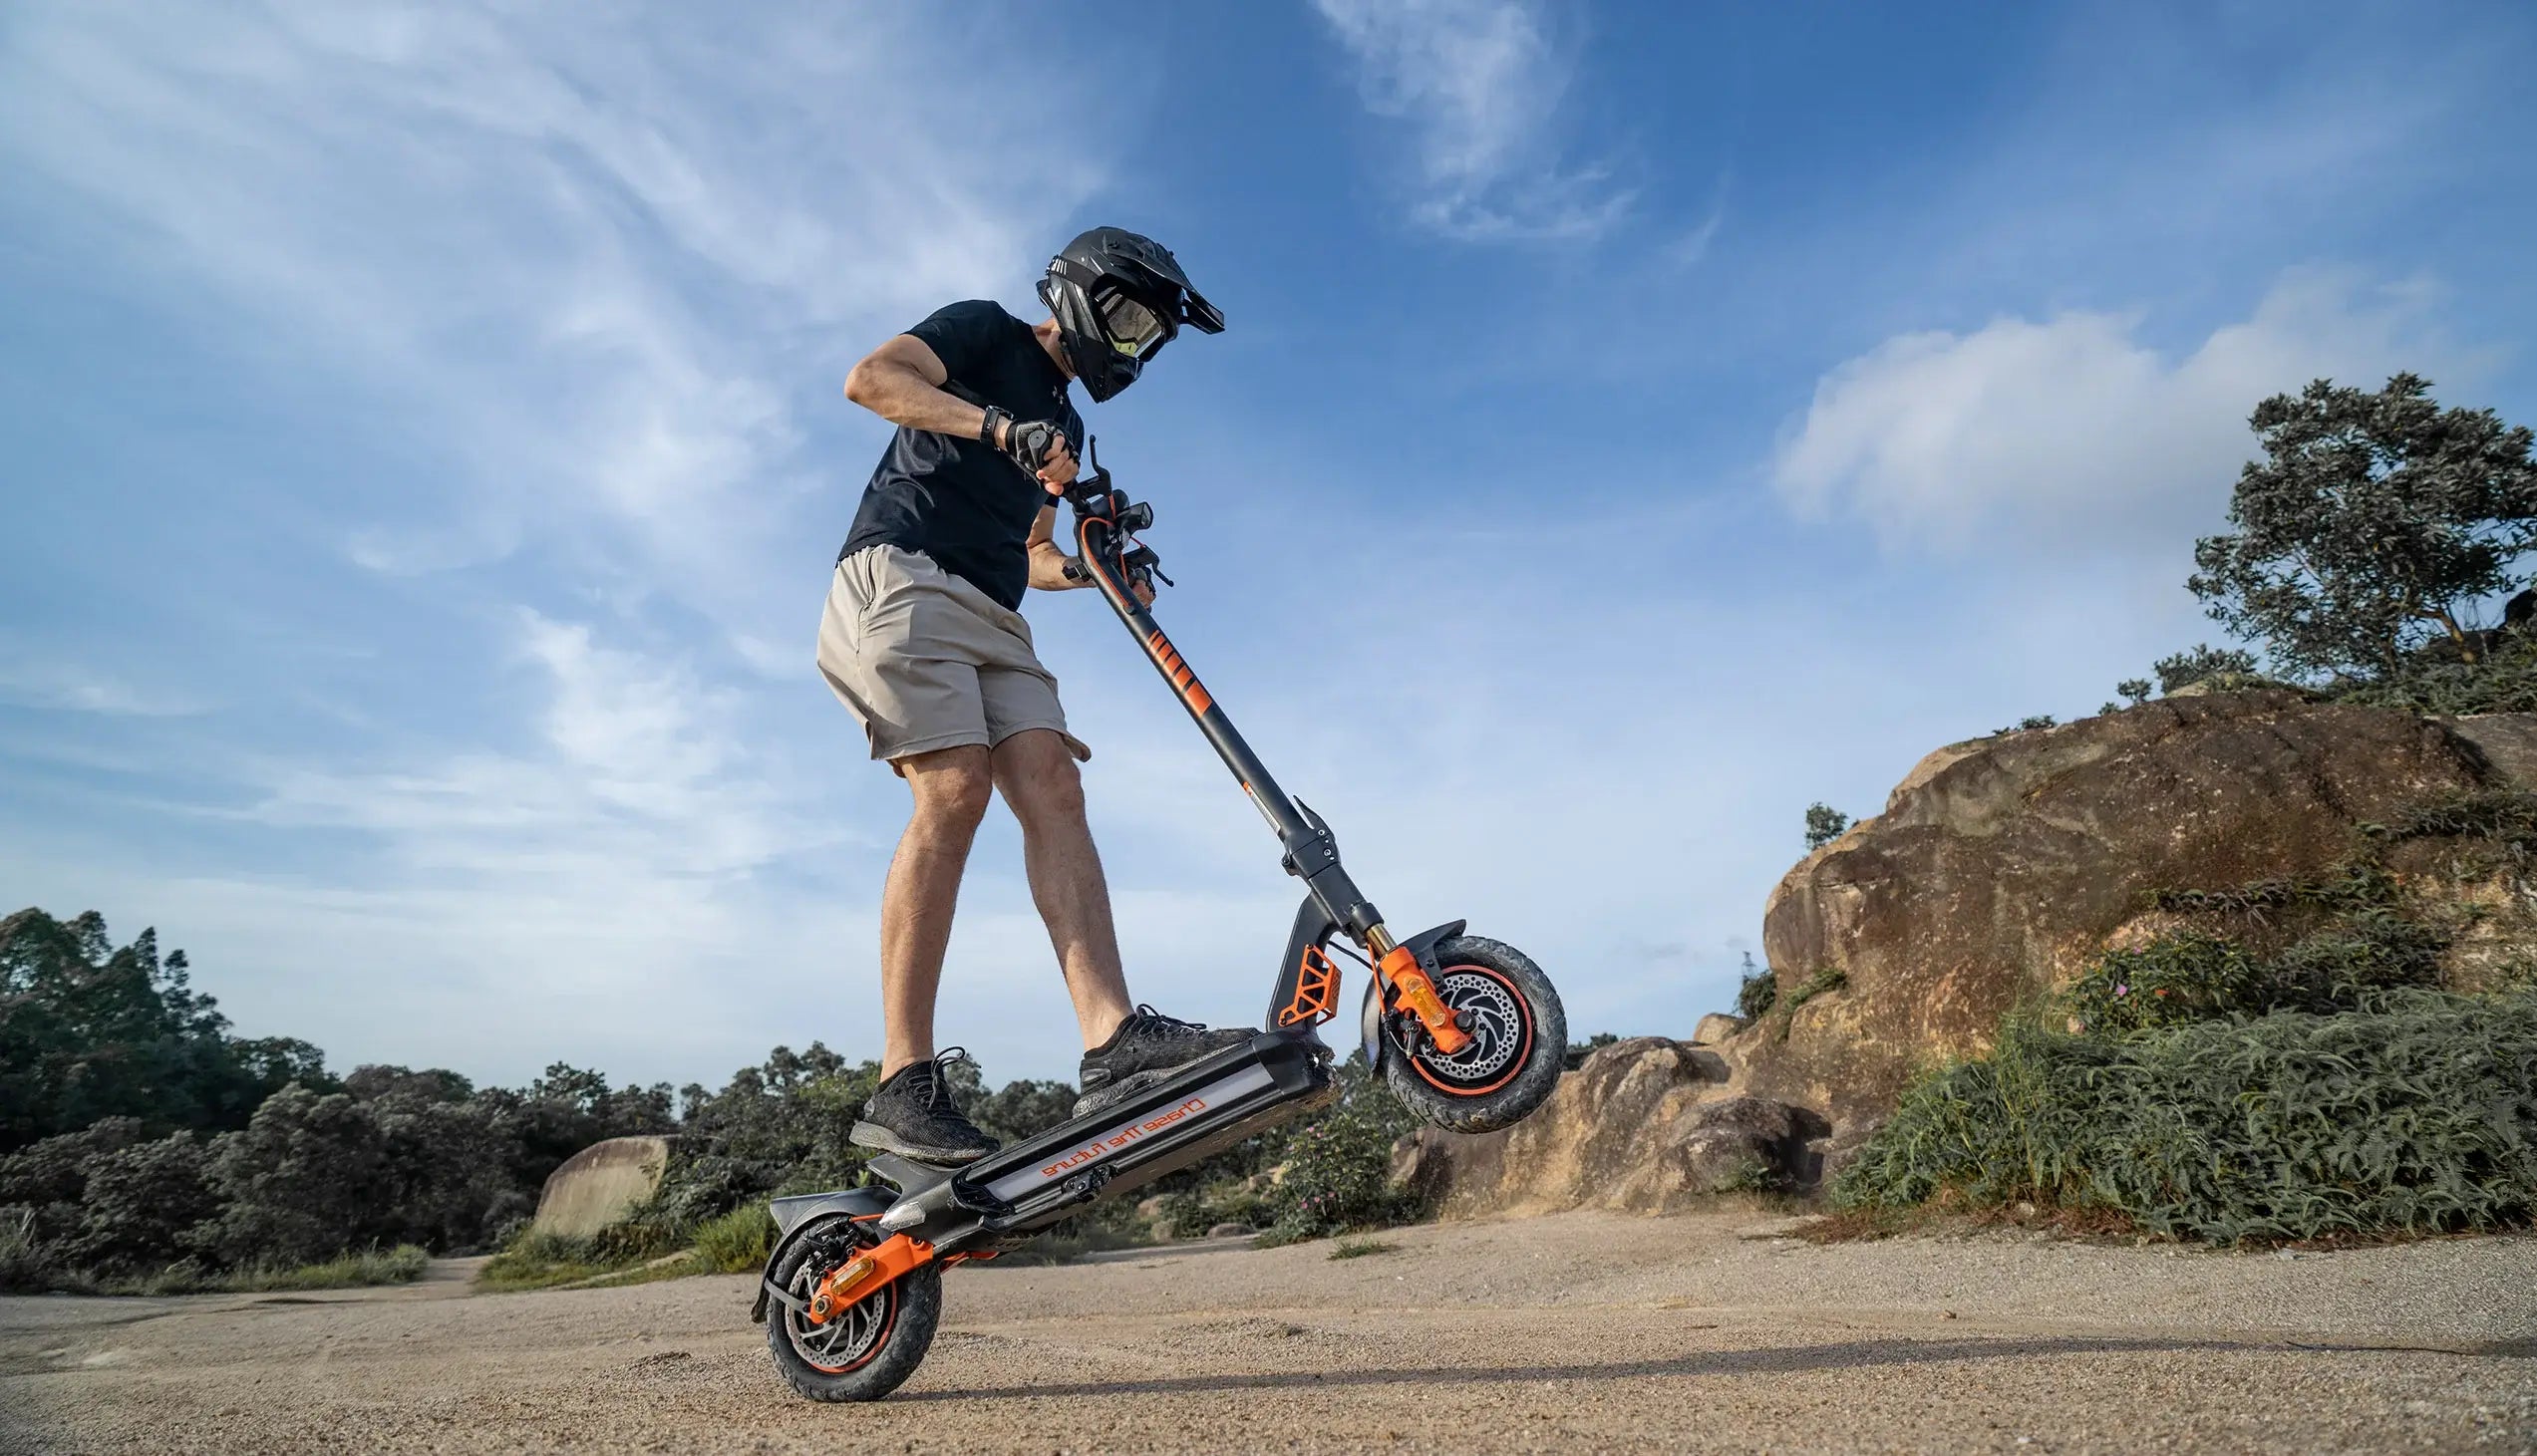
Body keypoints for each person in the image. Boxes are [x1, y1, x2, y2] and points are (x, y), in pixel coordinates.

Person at [818, 227, 1247, 1166]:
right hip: (901, 572)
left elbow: (1033, 554)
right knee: (954, 787)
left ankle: (1112, 1040)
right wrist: (1000, 426)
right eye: (1131, 320)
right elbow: (872, 379)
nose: (1133, 346)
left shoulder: (1068, 424)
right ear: (1086, 294)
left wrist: (1096, 571)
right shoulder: (982, 333)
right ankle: (903, 1082)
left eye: (1150, 338)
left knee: (1053, 782)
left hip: (993, 606)